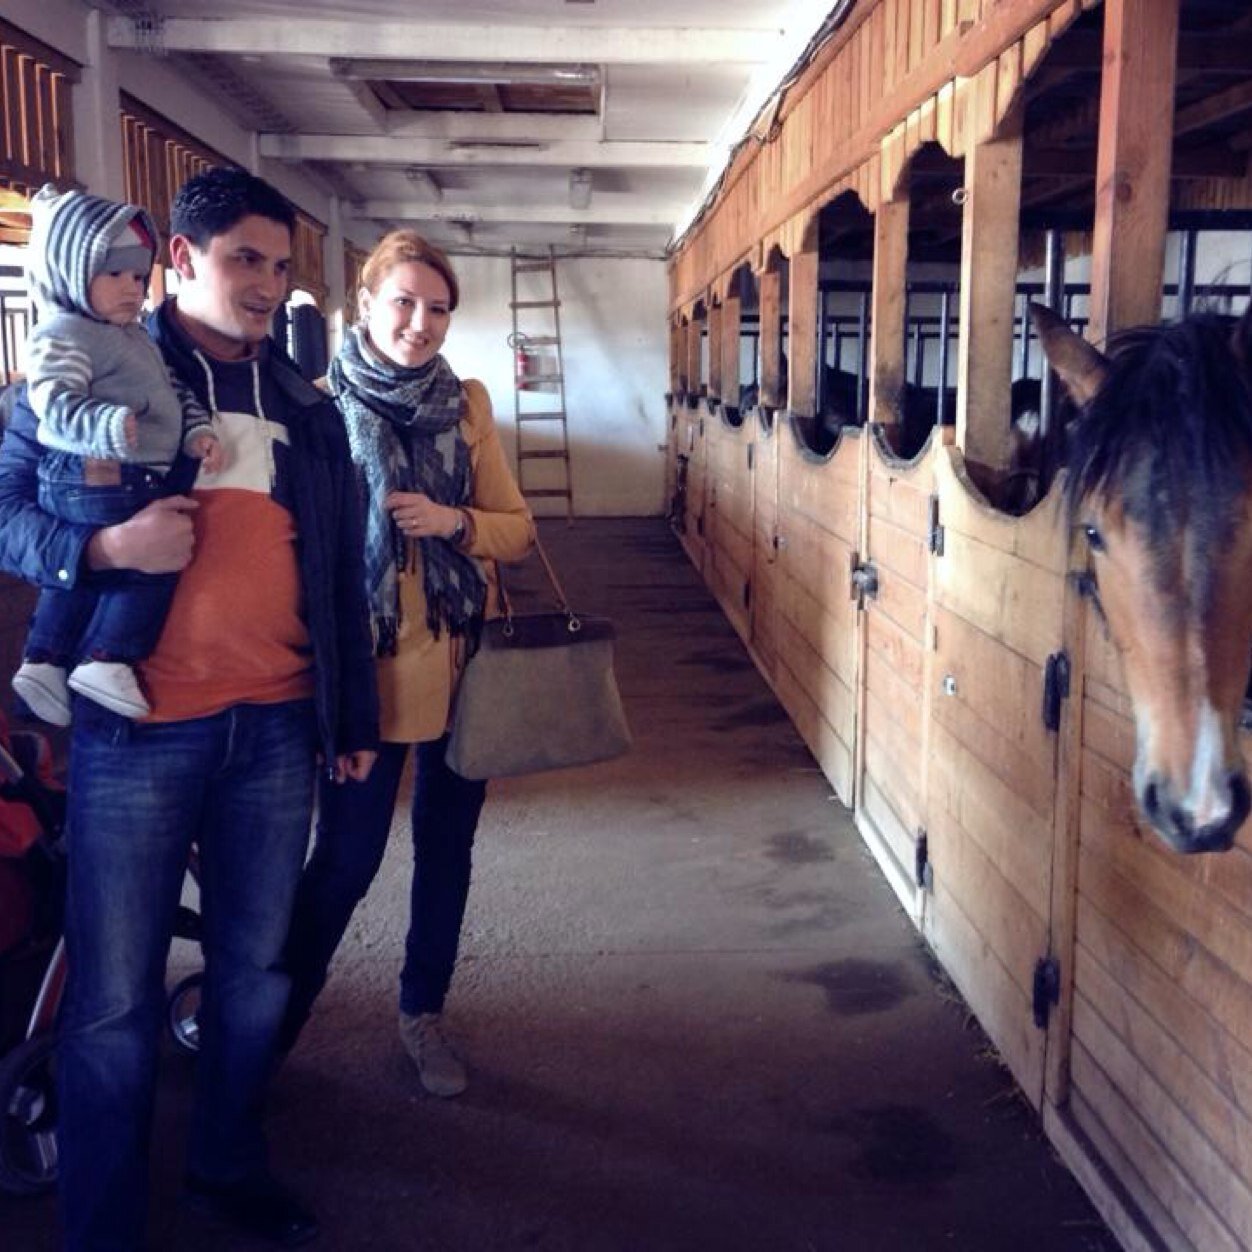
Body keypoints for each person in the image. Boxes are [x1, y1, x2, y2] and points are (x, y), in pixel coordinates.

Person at [0, 166, 379, 1251]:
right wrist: (106, 547)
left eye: (279, 264)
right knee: (114, 999)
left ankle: (225, 1164)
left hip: (276, 722)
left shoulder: (307, 407)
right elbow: (6, 514)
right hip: (135, 725)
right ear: (179, 260)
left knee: (254, 976)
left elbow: (339, 572)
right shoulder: (97, 357)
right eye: (241, 260)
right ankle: (103, 1223)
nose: (265, 285)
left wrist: (347, 717)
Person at [280, 230, 534, 1097]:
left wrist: (453, 522)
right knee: (345, 862)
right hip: (366, 671)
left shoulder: (466, 404)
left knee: (446, 849)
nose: (419, 324)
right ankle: (271, 1027)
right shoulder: (313, 407)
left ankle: (422, 1012)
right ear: (364, 304)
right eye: (403, 302)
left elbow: (517, 528)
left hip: (466, 664)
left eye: (437, 309)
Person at [12, 185, 224, 727]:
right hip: (97, 471)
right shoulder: (62, 334)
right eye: (115, 275)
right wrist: (106, 427)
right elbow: (52, 402)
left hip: (122, 471)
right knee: (149, 567)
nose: (132, 289)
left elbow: (173, 393)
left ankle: (46, 658)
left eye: (137, 276)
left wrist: (195, 432)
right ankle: (109, 658)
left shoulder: (134, 339)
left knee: (108, 570)